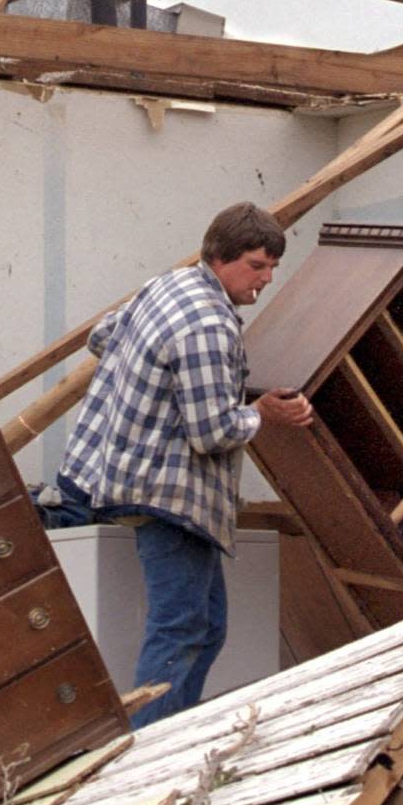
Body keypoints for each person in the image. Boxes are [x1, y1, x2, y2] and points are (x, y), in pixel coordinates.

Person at [55, 202, 313, 728]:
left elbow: (100, 338)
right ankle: (148, 750)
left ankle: (166, 734)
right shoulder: (211, 326)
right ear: (220, 258)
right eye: (257, 265)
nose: (266, 279)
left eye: (272, 268)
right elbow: (212, 431)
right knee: (181, 629)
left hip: (110, 473)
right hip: (167, 494)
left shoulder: (167, 286)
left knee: (206, 626)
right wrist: (262, 412)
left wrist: (147, 385)